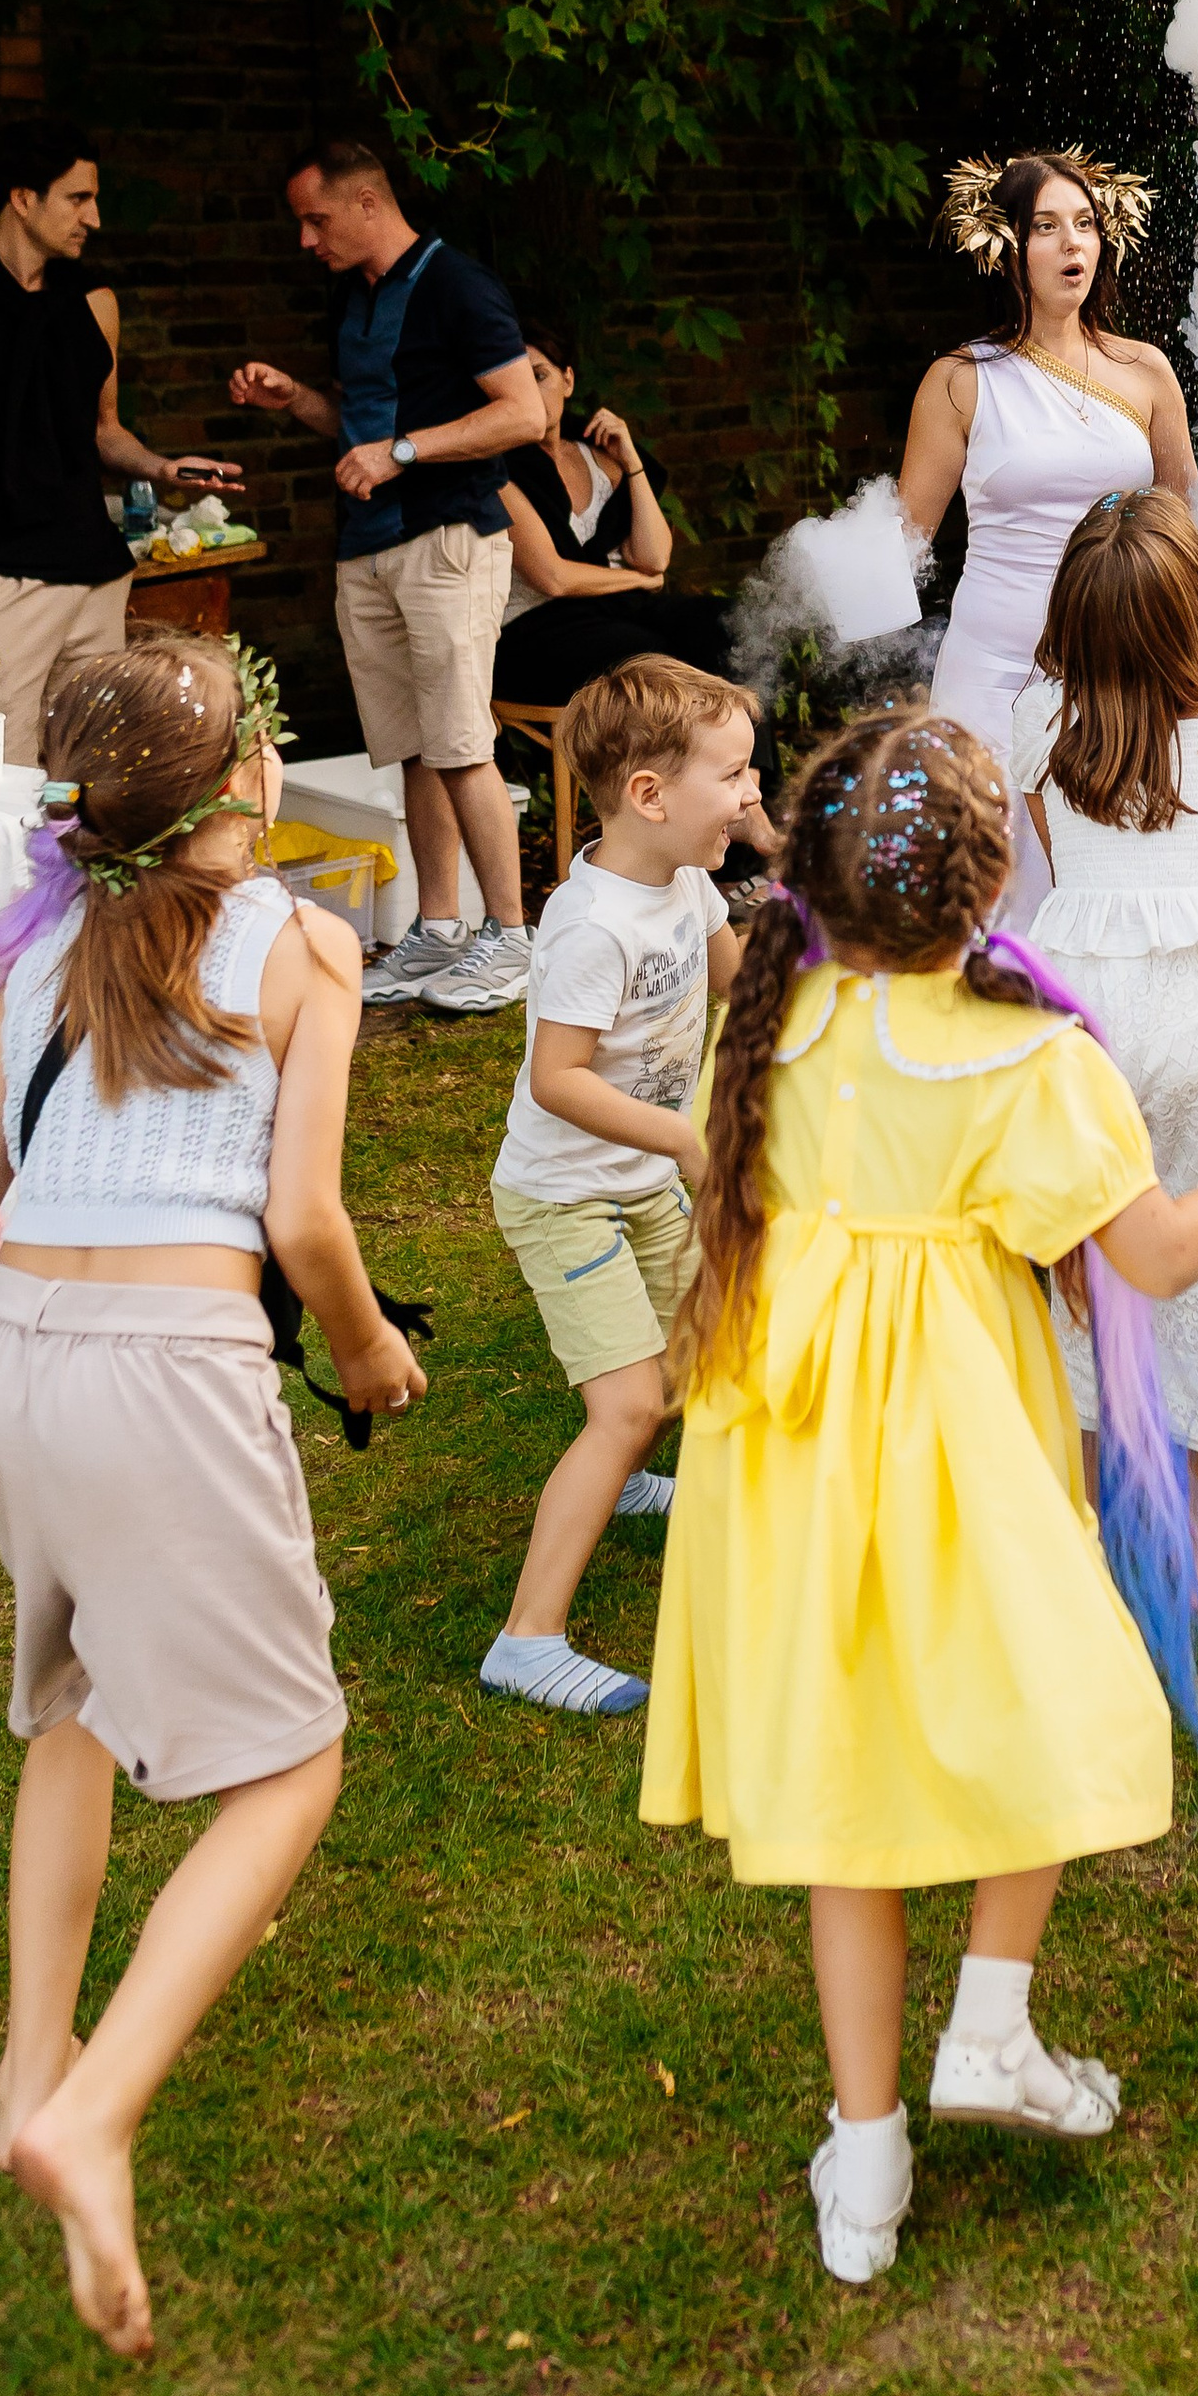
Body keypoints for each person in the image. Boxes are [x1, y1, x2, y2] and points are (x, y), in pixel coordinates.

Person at [639, 706, 1198, 2288]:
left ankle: (866, 2156)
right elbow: (1149, 1256)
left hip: (794, 1450)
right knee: (1075, 1697)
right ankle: (993, 2024)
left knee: (844, 1798)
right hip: (953, 1444)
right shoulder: (1029, 1053)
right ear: (992, 878)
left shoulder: (778, 1016)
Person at [0, 633, 427, 2364]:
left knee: (77, 1707)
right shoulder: (300, 940)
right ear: (250, 774)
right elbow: (309, 1227)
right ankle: (92, 2115)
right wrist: (372, 1353)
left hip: (21, 1342)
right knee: (289, 1766)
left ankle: (29, 2060)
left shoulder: (28, 953)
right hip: (170, 1362)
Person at [1012, 488, 1198, 1611]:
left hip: (1080, 1018)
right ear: (1195, 609)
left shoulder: (1041, 715)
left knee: (1084, 1259)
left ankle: (1080, 1523)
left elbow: (1058, 843)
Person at [480, 657, 762, 1719]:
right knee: (630, 1402)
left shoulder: (685, 884)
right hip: (568, 1195)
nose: (751, 794)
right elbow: (556, 1082)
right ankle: (527, 1637)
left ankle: (635, 1477)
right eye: (733, 775)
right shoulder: (592, 925)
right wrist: (686, 1142)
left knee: (698, 1347)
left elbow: (740, 982)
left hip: (641, 1178)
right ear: (650, 796)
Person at [229, 139, 543, 1012]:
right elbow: (359, 425)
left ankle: (510, 939)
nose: (306, 239)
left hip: (447, 540)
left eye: (315, 219)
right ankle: (438, 932)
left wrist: (402, 453)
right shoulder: (351, 296)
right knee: (410, 748)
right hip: (365, 547)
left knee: (460, 742)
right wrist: (295, 399)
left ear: (368, 203)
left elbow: (525, 412)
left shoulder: (457, 285)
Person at [896, 153, 1198, 919]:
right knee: (986, 887)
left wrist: (1188, 650)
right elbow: (904, 543)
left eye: (1087, 224)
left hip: (1115, 670)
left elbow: (1179, 531)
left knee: (1100, 886)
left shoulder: (1147, 371)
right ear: (1005, 246)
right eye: (1047, 226)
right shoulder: (962, 380)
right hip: (993, 672)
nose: (1074, 244)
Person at [0, 124, 242, 773]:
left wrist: (163, 467)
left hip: (96, 572)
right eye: (78, 199)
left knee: (95, 775)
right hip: (11, 576)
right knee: (9, 777)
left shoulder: (93, 303)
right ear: (23, 198)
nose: (95, 218)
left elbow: (104, 430)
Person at [492, 328, 779, 876]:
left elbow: (655, 556)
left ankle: (748, 796)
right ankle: (700, 852)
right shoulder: (497, 469)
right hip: (538, 629)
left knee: (731, 625)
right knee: (658, 664)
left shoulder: (599, 456)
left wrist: (633, 463)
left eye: (540, 375)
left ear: (568, 380)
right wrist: (639, 583)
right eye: (515, 379)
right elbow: (552, 577)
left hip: (615, 609)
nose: (530, 390)